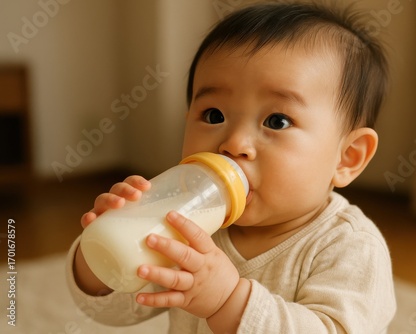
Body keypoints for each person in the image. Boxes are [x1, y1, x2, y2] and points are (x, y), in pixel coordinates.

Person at [66, 2, 396, 333]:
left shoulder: (349, 247)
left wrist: (229, 302)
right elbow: (119, 310)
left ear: (347, 157)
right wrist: (101, 258)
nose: (234, 143)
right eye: (214, 116)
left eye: (276, 121)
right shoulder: (185, 222)